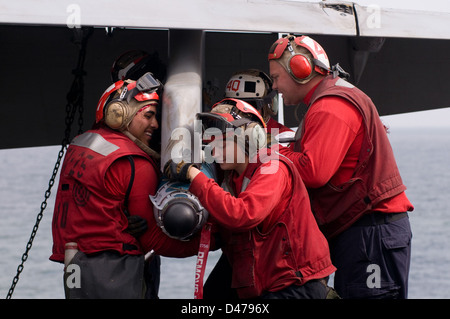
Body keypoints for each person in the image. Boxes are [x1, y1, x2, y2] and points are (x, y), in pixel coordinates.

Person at [268, 34, 414, 298]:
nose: (275, 86)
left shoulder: (330, 107)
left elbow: (314, 171)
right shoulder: (333, 98)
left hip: (371, 235)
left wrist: (268, 152)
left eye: (277, 78)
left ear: (300, 71)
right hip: (365, 233)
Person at [164, 98, 336, 299]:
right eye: (210, 144)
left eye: (222, 143)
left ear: (251, 138)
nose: (213, 151)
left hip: (294, 285)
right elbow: (214, 234)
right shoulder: (231, 179)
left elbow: (243, 214)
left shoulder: (273, 168)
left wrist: (194, 176)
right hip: (265, 285)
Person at [50, 72, 203, 299]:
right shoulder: (134, 163)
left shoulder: (79, 145)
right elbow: (153, 240)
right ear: (119, 114)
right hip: (113, 269)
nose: (155, 124)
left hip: (75, 261)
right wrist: (205, 244)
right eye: (149, 115)